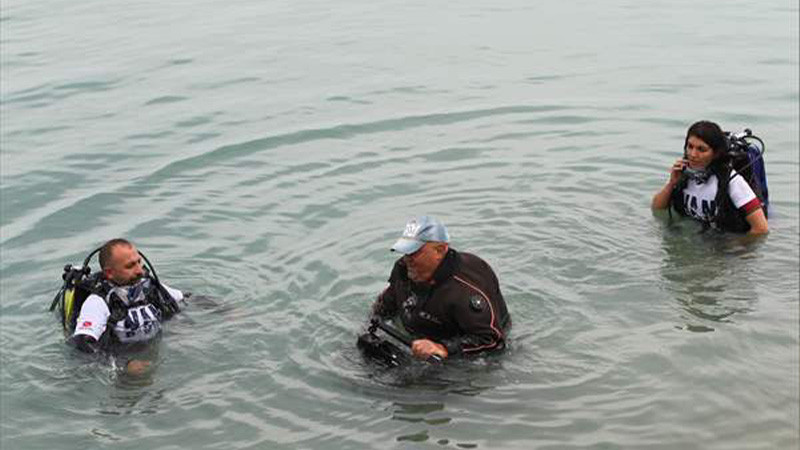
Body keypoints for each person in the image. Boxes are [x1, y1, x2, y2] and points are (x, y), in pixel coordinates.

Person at [370, 216, 511, 361]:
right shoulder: (403, 269)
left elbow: (493, 340)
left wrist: (443, 348)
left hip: (464, 353)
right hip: (417, 336)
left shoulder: (464, 289)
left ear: (440, 250)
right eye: (406, 253)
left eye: (414, 253)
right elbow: (386, 303)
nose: (407, 259)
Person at [68, 238, 185, 374]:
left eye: (139, 262)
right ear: (109, 273)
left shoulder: (149, 287)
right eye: (130, 266)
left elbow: (185, 299)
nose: (139, 271)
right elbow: (82, 344)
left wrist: (214, 307)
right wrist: (123, 364)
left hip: (154, 354)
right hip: (124, 366)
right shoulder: (97, 302)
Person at [651, 120, 768, 235]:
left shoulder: (731, 180)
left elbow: (761, 229)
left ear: (716, 153)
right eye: (690, 146)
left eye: (701, 149)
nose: (693, 154)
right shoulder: (683, 172)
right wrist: (672, 183)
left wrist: (733, 250)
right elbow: (657, 208)